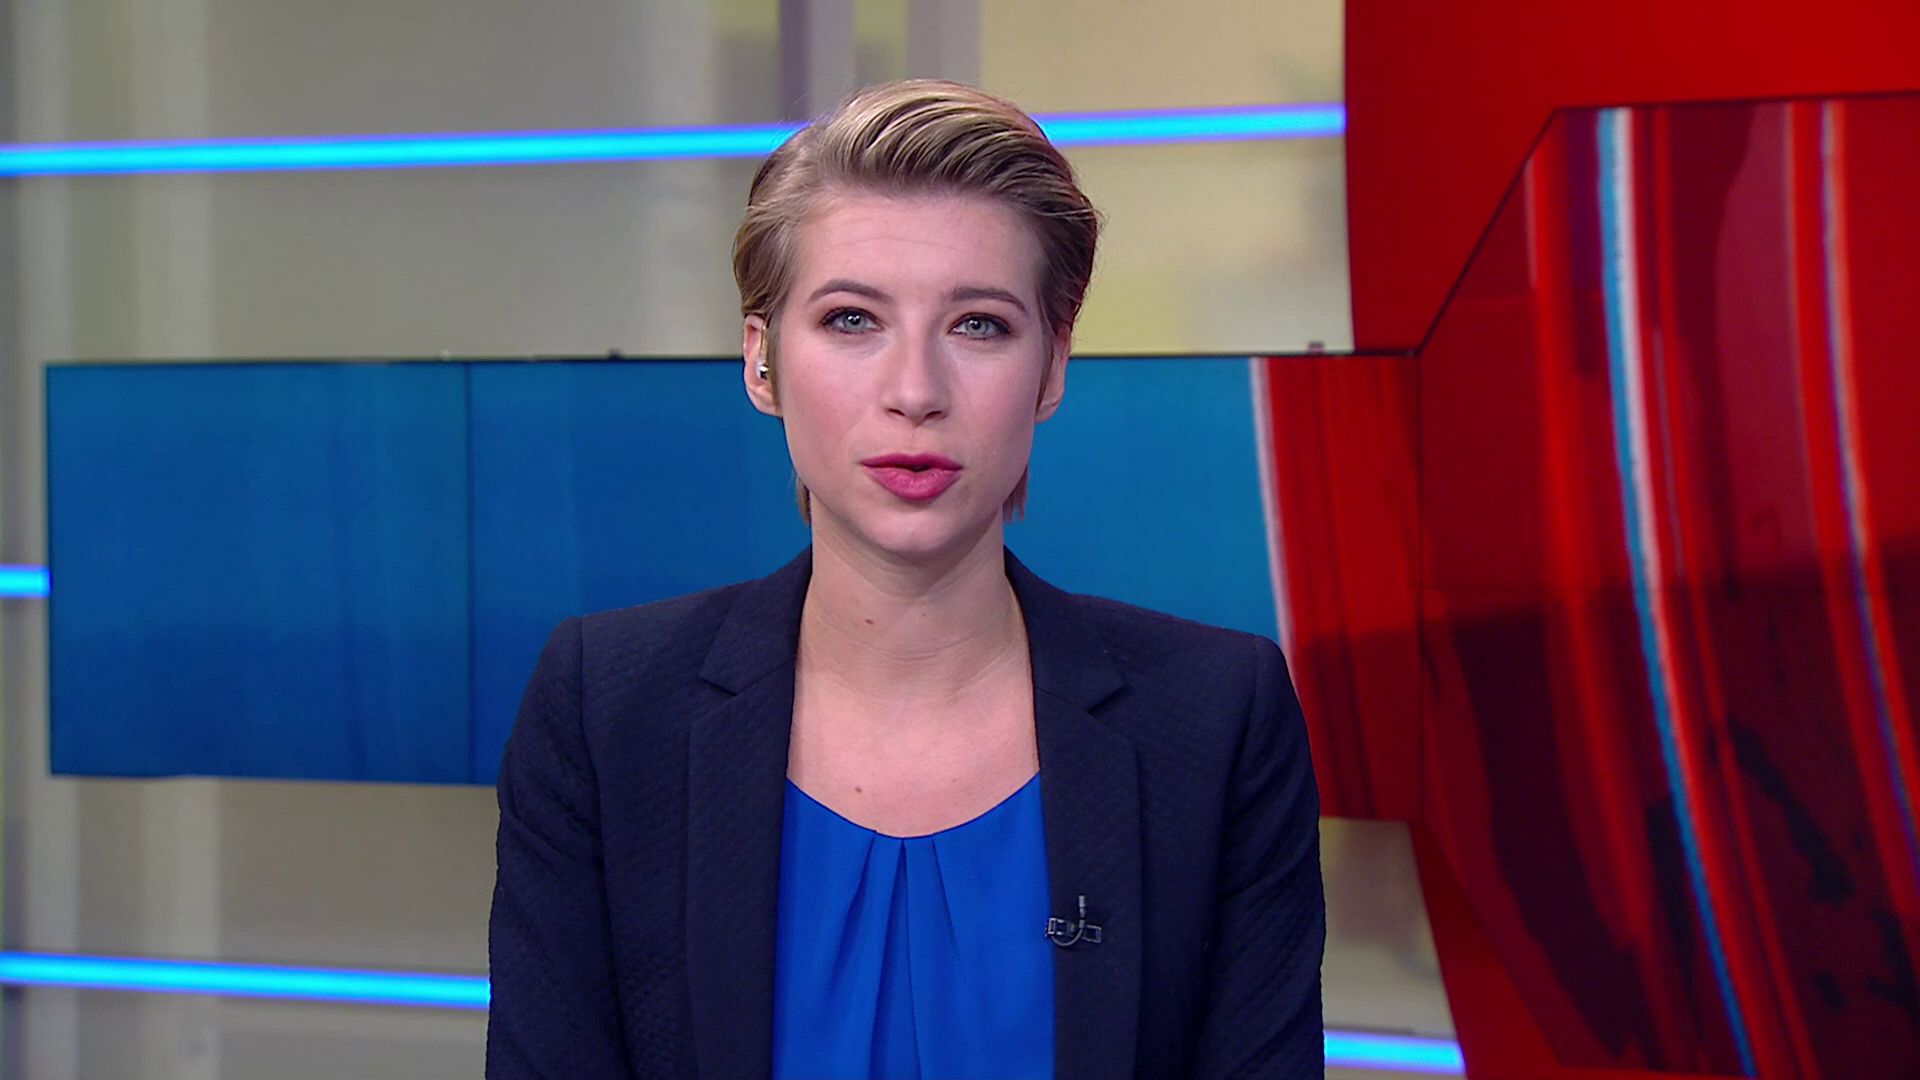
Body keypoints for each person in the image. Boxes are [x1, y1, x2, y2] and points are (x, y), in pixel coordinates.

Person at [486, 79, 1324, 1079]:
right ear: (761, 362)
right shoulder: (606, 708)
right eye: (851, 319)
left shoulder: (1218, 717)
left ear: (1053, 367)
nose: (916, 392)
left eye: (979, 325)